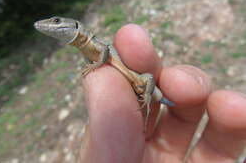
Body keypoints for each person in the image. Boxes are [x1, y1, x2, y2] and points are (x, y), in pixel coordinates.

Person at [79, 24, 246, 162]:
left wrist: (95, 66)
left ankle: (151, 99)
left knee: (154, 81)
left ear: (77, 27)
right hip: (131, 84)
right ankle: (154, 100)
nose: (52, 24)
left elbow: (105, 52)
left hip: (137, 79)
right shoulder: (84, 48)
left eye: (57, 21)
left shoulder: (94, 43)